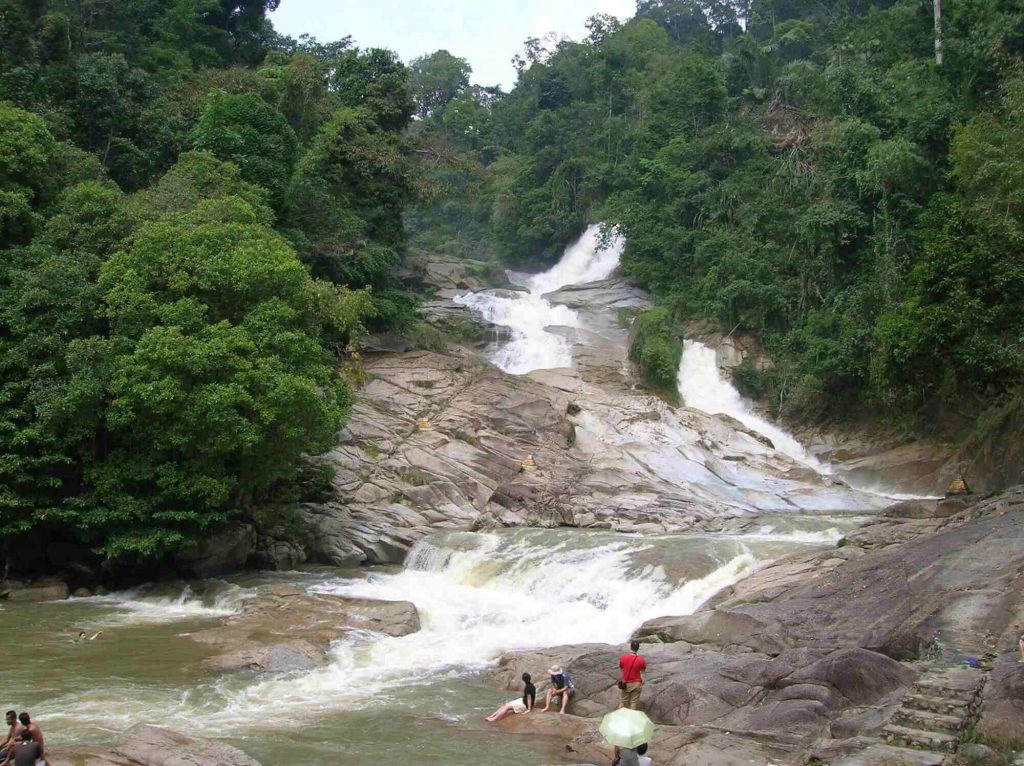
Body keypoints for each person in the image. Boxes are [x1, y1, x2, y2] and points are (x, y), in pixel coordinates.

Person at [618, 640, 647, 710]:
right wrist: (642, 680)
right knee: (633, 703)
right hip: (637, 683)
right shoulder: (641, 660)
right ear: (638, 648)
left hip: (626, 683)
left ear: (630, 647)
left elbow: (621, 670)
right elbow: (642, 671)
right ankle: (631, 719)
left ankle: (619, 718)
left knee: (623, 702)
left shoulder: (623, 658)